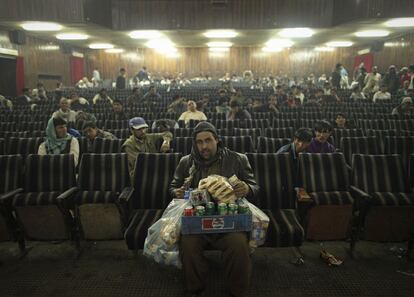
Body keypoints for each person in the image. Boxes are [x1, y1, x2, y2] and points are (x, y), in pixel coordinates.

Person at [169, 121, 259, 297]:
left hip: (229, 219)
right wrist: (177, 191)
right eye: (199, 142)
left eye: (208, 140)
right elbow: (173, 186)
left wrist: (247, 188)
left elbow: (255, 186)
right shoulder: (186, 162)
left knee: (238, 245)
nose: (204, 146)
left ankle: (238, 290)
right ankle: (195, 288)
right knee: (188, 244)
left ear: (217, 139)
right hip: (197, 220)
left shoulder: (237, 159)